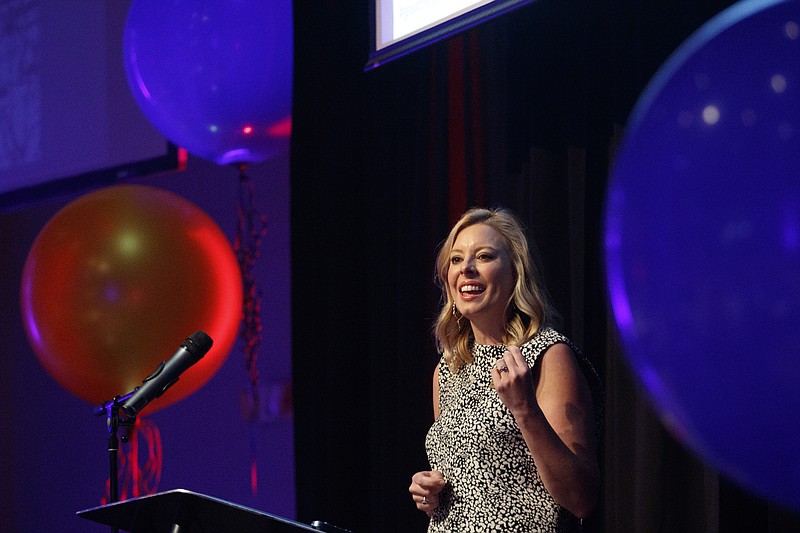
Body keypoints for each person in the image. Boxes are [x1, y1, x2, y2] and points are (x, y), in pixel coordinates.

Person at [408, 207, 601, 532]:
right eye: (456, 260)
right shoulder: (448, 369)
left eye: (483, 257)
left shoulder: (547, 355)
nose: (466, 268)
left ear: (515, 273)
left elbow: (581, 498)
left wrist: (525, 409)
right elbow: (479, 493)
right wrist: (431, 496)